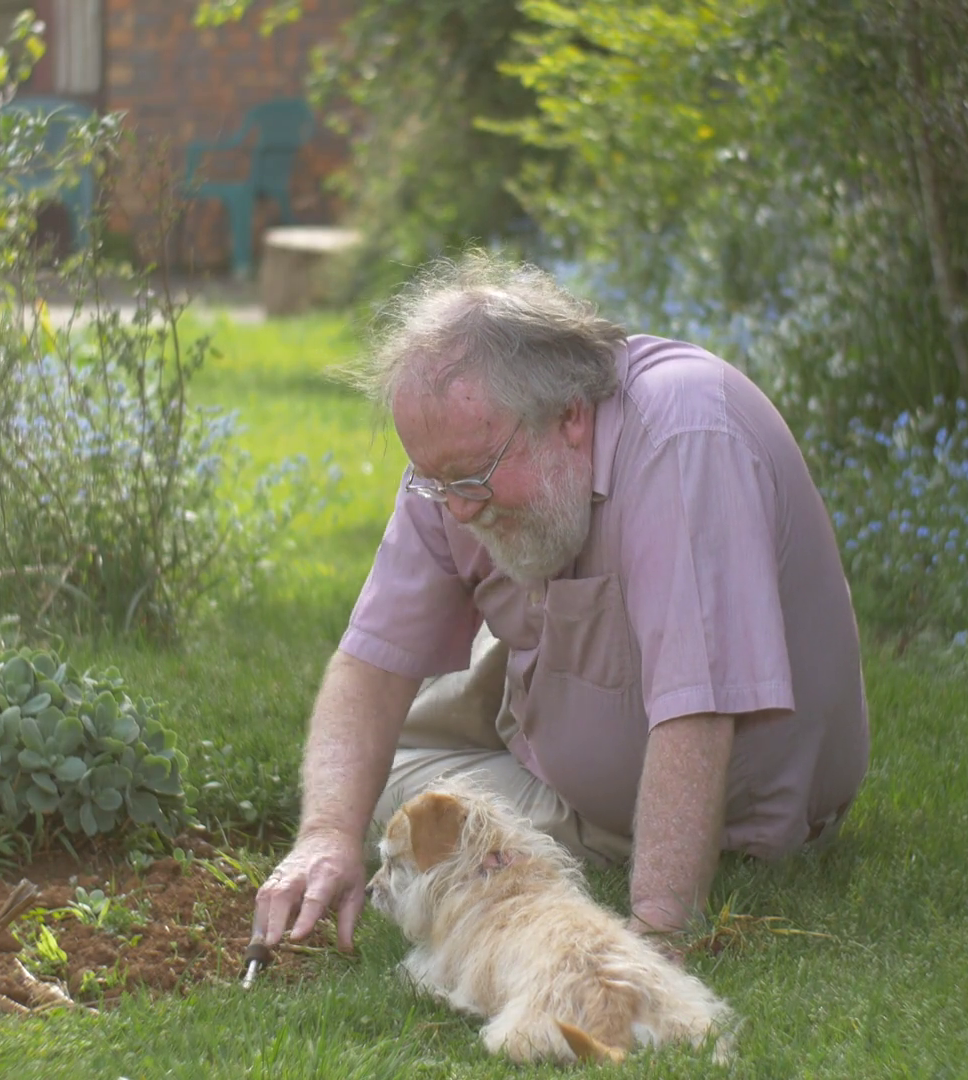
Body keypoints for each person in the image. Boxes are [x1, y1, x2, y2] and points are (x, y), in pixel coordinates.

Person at [251, 252, 869, 953]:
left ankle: (574, 824)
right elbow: (372, 662)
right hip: (549, 697)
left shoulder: (684, 439)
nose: (458, 509)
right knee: (368, 780)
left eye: (473, 477)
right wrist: (325, 836)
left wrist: (656, 928)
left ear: (571, 415)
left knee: (415, 816)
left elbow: (699, 710)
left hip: (724, 807)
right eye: (435, 482)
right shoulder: (460, 462)